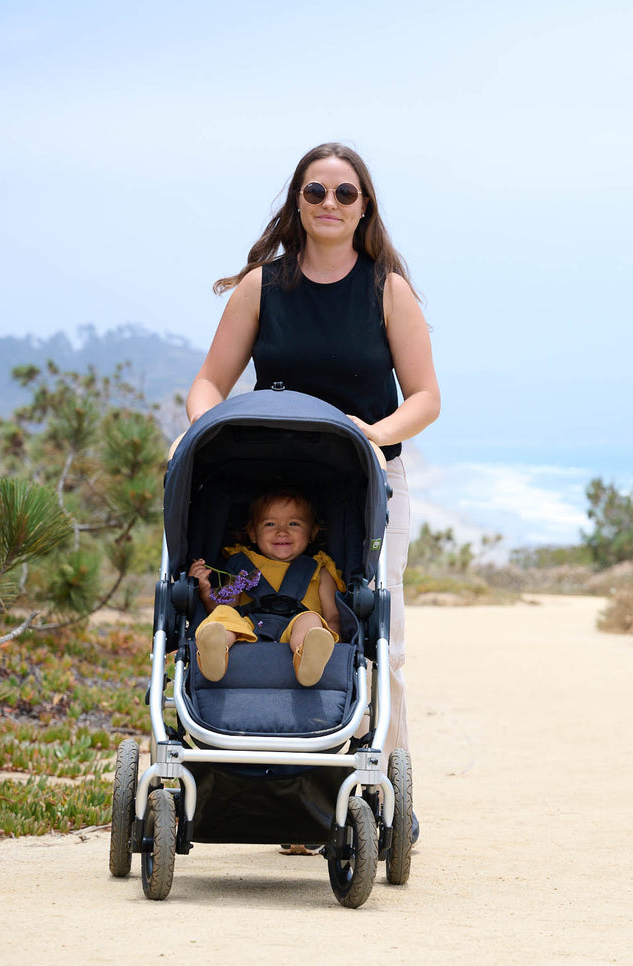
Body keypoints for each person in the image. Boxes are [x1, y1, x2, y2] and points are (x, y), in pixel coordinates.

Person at [185, 142, 440, 777]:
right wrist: (203, 429)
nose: (329, 203)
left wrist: (374, 435)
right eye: (315, 192)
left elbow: (427, 398)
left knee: (383, 636)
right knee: (250, 613)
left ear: (364, 207)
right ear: (297, 204)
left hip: (367, 477)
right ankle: (272, 775)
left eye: (344, 193)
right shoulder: (261, 287)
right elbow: (208, 383)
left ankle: (382, 777)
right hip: (272, 482)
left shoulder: (387, 290)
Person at [189, 490, 343, 686]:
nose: (282, 531)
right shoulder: (243, 563)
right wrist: (204, 592)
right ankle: (215, 651)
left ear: (312, 532)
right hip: (249, 628)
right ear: (253, 533)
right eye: (270, 524)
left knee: (311, 619)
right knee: (225, 615)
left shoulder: (320, 569)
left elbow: (333, 616)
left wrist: (333, 638)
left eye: (293, 523)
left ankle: (308, 656)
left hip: (296, 627)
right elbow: (227, 604)